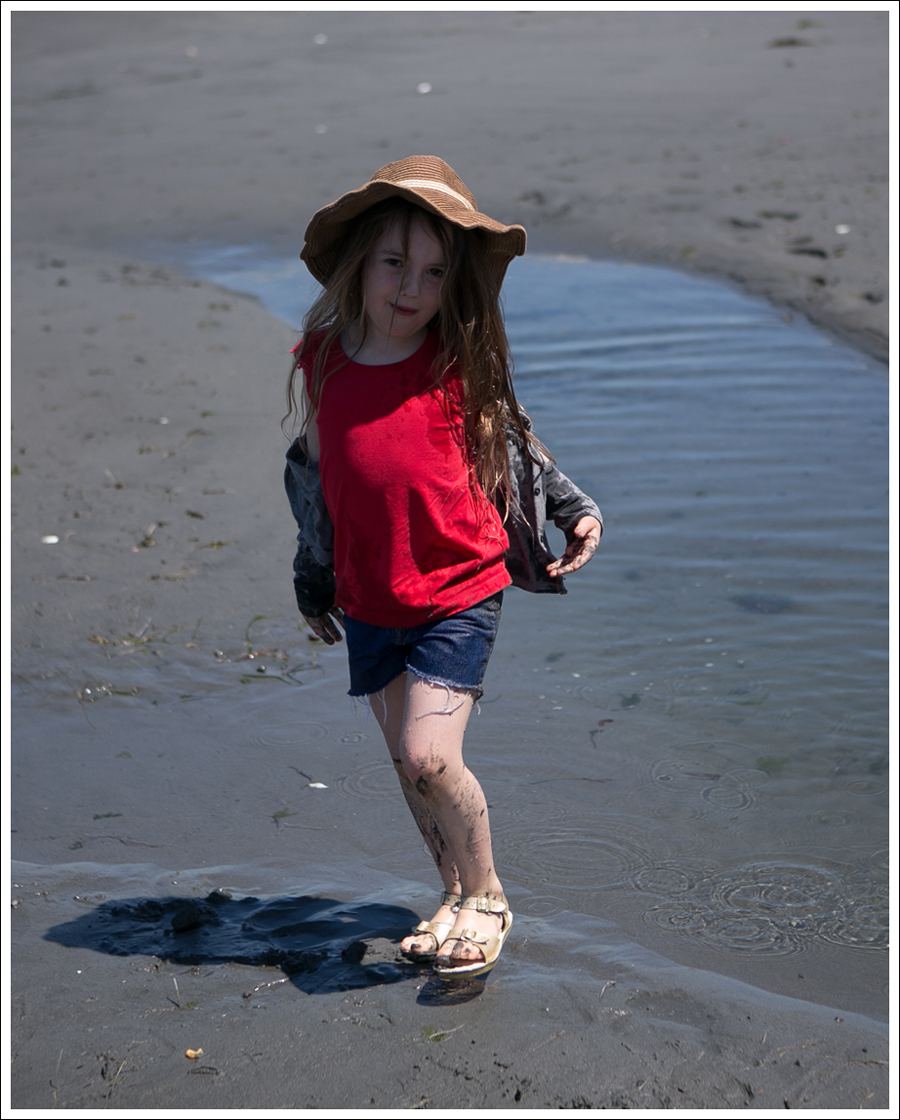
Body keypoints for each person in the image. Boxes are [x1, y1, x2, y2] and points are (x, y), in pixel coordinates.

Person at [284, 156, 602, 978]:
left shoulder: (457, 362)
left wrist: (570, 506)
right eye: (395, 263)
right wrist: (313, 577)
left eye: (432, 272)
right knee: (407, 765)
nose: (411, 288)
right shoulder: (321, 359)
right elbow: (311, 476)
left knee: (429, 754)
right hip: (369, 593)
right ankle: (454, 893)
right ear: (360, 263)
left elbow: (518, 448)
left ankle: (489, 897)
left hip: (459, 585)